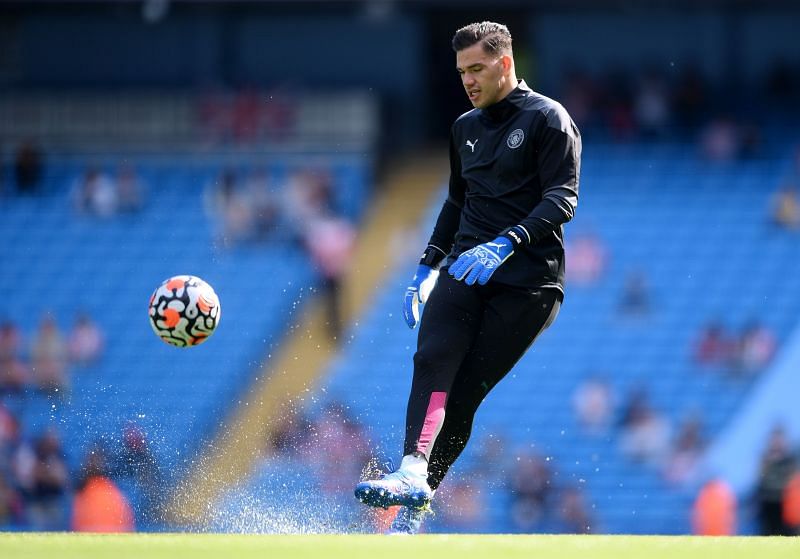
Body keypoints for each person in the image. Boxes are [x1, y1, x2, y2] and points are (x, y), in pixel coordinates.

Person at [354, 21, 581, 534]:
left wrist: (506, 243)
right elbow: (458, 201)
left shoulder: (549, 119)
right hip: (465, 267)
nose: (468, 81)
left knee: (464, 395)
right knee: (432, 357)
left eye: (477, 68)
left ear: (505, 63)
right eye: (461, 73)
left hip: (529, 284)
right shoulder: (464, 128)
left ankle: (413, 507)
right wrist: (426, 265)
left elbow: (562, 198)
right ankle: (411, 471)